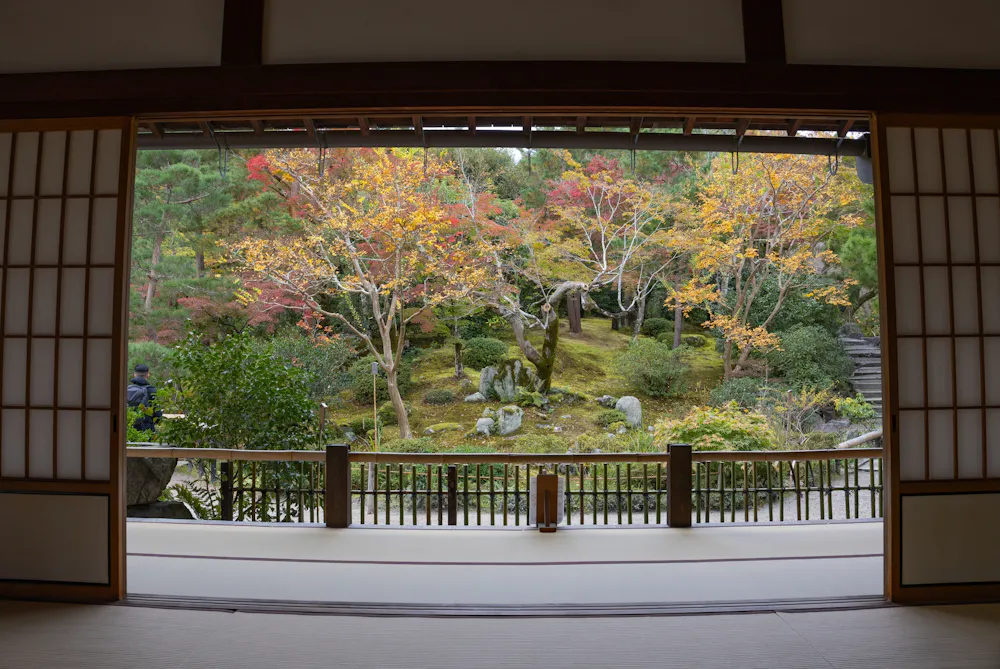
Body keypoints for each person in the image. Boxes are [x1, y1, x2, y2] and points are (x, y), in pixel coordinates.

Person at [127, 364, 162, 433]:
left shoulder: (127, 389)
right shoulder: (151, 390)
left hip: (130, 426)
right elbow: (157, 412)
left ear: (134, 374)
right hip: (146, 427)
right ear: (148, 375)